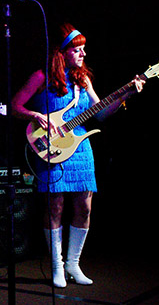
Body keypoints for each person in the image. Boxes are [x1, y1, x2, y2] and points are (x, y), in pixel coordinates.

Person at [12, 24, 143, 288]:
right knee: (55, 207)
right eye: (77, 49)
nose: (83, 53)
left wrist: (126, 93)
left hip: (80, 147)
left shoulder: (83, 80)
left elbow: (100, 112)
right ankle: (56, 266)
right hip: (51, 146)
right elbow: (14, 106)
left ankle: (73, 263)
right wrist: (35, 115)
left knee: (85, 206)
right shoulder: (41, 77)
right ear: (62, 52)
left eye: (84, 49)